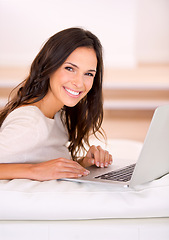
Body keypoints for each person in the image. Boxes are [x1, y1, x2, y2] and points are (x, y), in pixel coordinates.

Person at [0, 27, 112, 181]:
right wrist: (34, 171)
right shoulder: (30, 124)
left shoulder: (59, 115)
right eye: (70, 68)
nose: (79, 83)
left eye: (88, 74)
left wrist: (82, 163)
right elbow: (36, 164)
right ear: (49, 66)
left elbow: (40, 157)